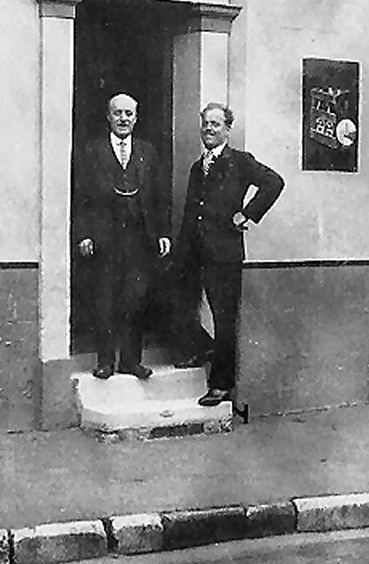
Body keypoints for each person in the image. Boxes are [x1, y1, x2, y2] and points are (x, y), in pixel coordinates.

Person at [174, 103, 284, 406]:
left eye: (216, 124)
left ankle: (221, 384)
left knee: (224, 319)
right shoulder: (197, 168)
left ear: (227, 129)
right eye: (205, 123)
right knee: (179, 300)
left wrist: (247, 214)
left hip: (224, 254)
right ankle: (200, 348)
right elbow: (190, 213)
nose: (209, 129)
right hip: (194, 252)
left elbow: (274, 182)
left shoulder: (240, 161)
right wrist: (181, 252)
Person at [73, 93, 171, 380]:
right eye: (118, 113)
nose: (123, 119)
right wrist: (84, 234)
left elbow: (160, 196)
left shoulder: (147, 152)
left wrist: (162, 233)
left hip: (139, 239)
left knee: (135, 300)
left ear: (136, 118)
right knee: (105, 299)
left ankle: (131, 361)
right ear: (108, 116)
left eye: (129, 113)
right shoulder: (92, 151)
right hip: (105, 239)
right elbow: (81, 196)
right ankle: (106, 361)